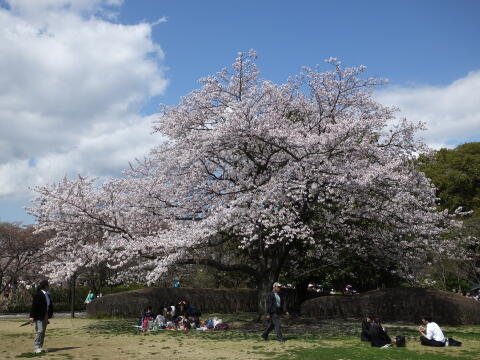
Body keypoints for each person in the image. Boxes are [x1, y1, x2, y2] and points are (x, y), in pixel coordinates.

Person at [29, 279, 54, 354]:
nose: (49, 286)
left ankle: (40, 347)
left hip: (45, 315)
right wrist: (32, 316)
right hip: (39, 316)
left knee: (43, 332)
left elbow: (49, 305)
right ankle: (36, 347)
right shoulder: (38, 294)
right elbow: (34, 306)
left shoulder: (47, 294)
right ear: (45, 286)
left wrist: (49, 314)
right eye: (48, 285)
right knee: (39, 331)